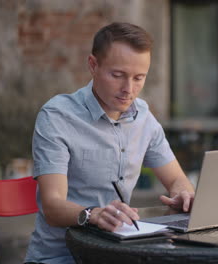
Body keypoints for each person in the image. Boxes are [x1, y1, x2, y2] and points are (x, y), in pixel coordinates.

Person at [24, 22, 195, 264]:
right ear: (93, 65)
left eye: (139, 78)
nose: (129, 89)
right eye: (118, 75)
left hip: (117, 254)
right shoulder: (57, 116)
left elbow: (178, 179)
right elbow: (52, 207)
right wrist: (93, 214)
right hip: (61, 257)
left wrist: (182, 194)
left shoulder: (144, 117)